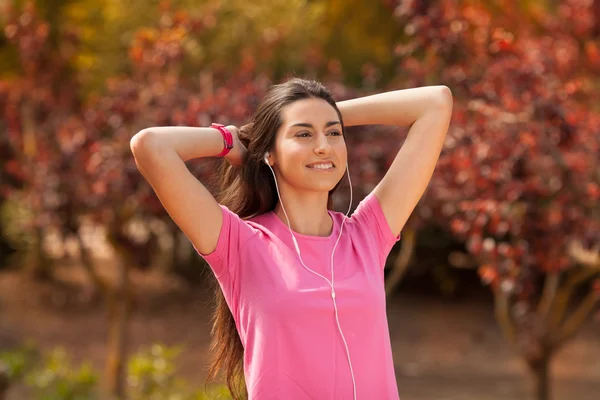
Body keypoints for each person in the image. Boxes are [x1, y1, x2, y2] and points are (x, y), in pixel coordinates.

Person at [130, 78, 453, 400]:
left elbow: (435, 103)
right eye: (303, 134)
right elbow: (151, 146)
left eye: (333, 132)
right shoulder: (240, 244)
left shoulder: (367, 235)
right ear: (270, 153)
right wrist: (232, 138)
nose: (323, 146)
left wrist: (323, 113)